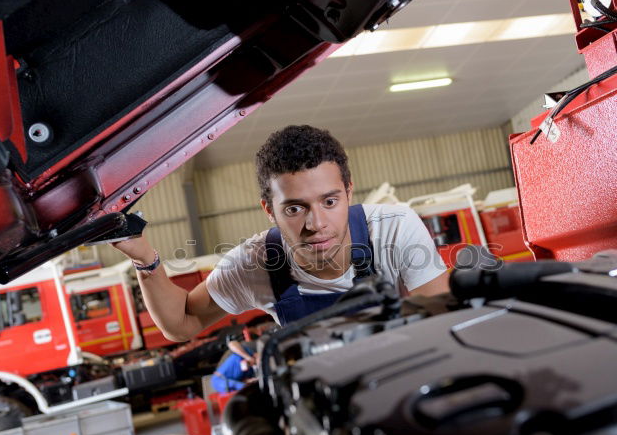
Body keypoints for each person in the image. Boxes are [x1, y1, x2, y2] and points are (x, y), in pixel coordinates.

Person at [114, 124, 449, 337]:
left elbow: (441, 323)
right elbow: (181, 322)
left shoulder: (395, 229)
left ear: (349, 192)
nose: (316, 224)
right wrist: (144, 259)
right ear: (268, 210)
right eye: (294, 208)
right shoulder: (253, 264)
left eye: (329, 202)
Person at [211, 315, 272, 393]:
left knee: (267, 340)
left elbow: (231, 344)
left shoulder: (218, 379)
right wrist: (250, 381)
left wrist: (248, 358)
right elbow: (241, 383)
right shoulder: (227, 379)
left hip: (249, 350)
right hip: (254, 366)